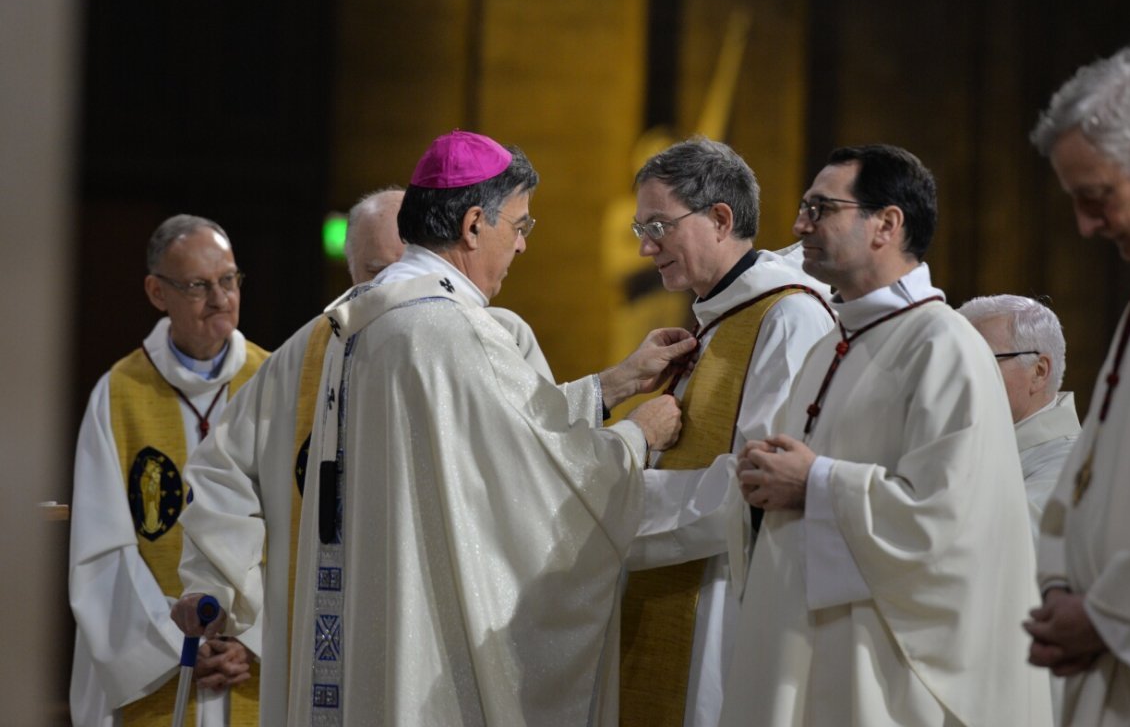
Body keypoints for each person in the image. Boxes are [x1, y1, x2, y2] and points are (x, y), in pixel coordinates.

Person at [174, 130, 695, 726]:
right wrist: (637, 440)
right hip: (426, 638)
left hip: (350, 632)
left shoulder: (352, 329)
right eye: (520, 225)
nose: (523, 246)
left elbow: (502, 430)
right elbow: (538, 485)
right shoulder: (456, 331)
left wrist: (616, 384)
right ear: (474, 225)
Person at [175, 185, 559, 725]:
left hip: (440, 623)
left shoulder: (493, 337)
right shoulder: (307, 354)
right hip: (321, 635)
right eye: (374, 275)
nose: (390, 292)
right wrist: (216, 586)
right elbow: (221, 468)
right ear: (352, 273)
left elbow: (542, 469)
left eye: (402, 270)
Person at [719, 144, 1053, 725]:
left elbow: (951, 527)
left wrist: (815, 483)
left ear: (887, 224)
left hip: (879, 669)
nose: (800, 226)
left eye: (821, 208)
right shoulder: (833, 343)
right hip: (803, 642)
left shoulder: (945, 347)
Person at [620, 137, 835, 727]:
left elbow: (755, 486)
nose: (644, 246)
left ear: (720, 218)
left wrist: (617, 505)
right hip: (681, 581)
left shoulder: (789, 317)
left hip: (726, 599)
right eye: (641, 227)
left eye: (658, 225)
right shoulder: (722, 318)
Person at [1025, 46, 1130, 725]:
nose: (1085, 226)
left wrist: (1103, 616)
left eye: (1095, 198)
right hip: (1115, 648)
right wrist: (1063, 579)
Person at [68, 215, 268, 726]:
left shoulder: (274, 385)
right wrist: (174, 646)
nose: (221, 298)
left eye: (229, 279)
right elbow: (102, 549)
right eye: (199, 285)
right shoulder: (117, 395)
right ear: (158, 292)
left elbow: (298, 531)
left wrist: (252, 639)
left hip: (254, 669)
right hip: (156, 669)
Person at [958, 294, 1079, 542]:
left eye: (981, 359)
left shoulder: (1069, 464)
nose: (961, 376)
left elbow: (1011, 545)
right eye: (956, 361)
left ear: (1039, 371)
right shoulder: (967, 442)